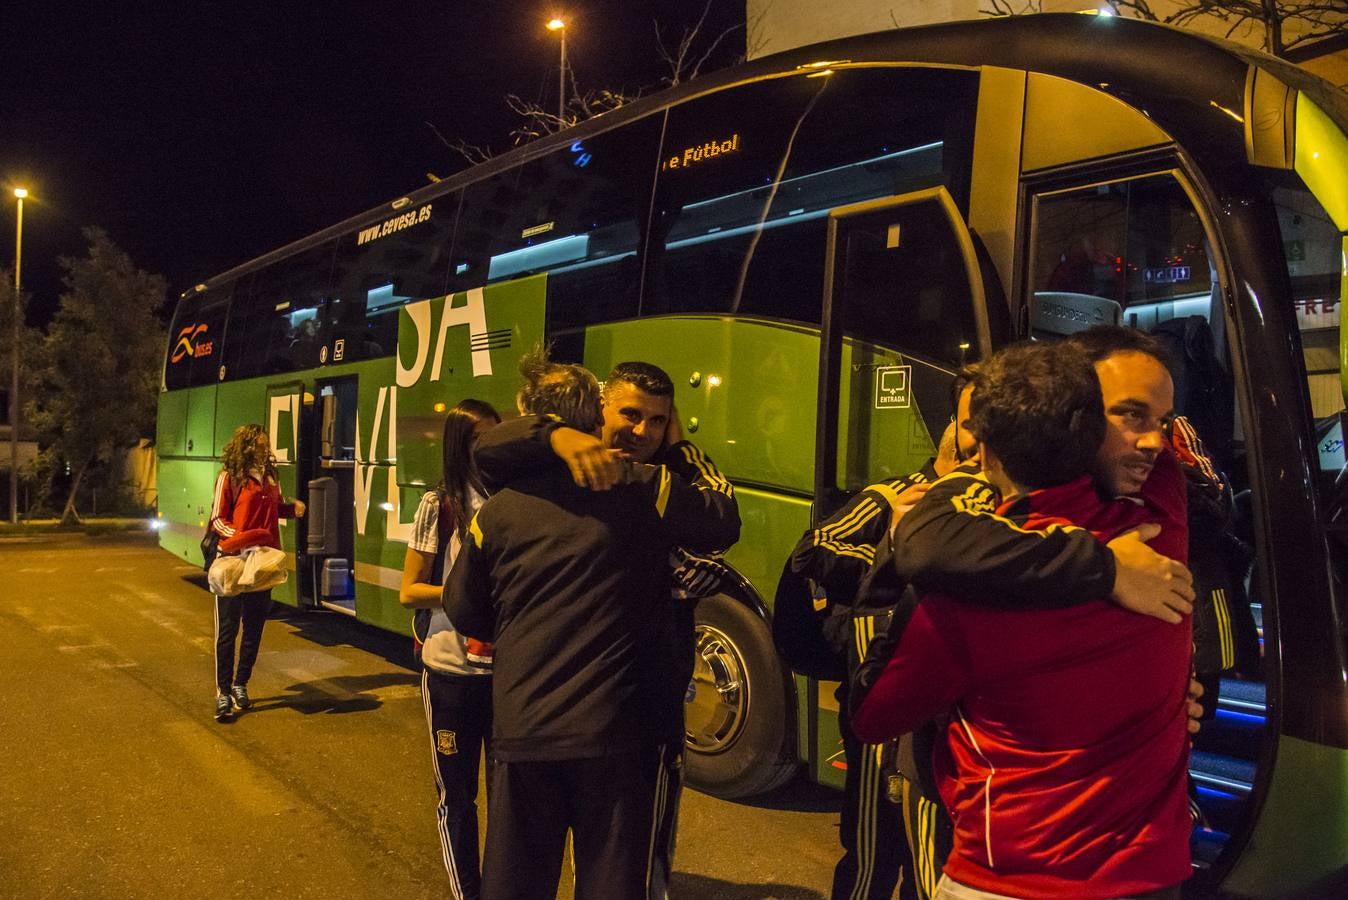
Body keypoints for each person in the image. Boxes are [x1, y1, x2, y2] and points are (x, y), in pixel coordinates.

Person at [854, 340, 1193, 898]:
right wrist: (1104, 569)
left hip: (1011, 874)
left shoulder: (964, 595)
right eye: (1131, 414)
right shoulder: (1162, 522)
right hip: (1151, 873)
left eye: (1162, 419)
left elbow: (873, 715)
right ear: (1075, 413)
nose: (1157, 443)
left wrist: (961, 478)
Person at [443, 350, 740, 900]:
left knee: (515, 883)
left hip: (524, 728)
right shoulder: (645, 491)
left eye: (657, 421)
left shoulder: (501, 508)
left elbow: (465, 610)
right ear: (596, 414)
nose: (643, 431)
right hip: (618, 736)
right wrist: (678, 449)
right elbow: (722, 518)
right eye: (630, 416)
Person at [398, 398, 499, 900]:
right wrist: (463, 594)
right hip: (450, 673)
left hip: (505, 676)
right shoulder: (439, 506)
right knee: (458, 798)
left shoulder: (511, 502)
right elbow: (408, 590)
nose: (490, 448)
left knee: (511, 800)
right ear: (460, 445)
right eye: (480, 438)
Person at [209, 424, 305, 722]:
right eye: (259, 446)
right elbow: (217, 519)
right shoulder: (230, 477)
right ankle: (223, 692)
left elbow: (273, 510)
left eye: (266, 446)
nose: (265, 450)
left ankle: (241, 684)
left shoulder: (271, 477)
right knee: (227, 631)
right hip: (233, 561)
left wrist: (291, 509)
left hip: (264, 561)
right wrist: (240, 538)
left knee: (254, 629)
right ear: (246, 447)